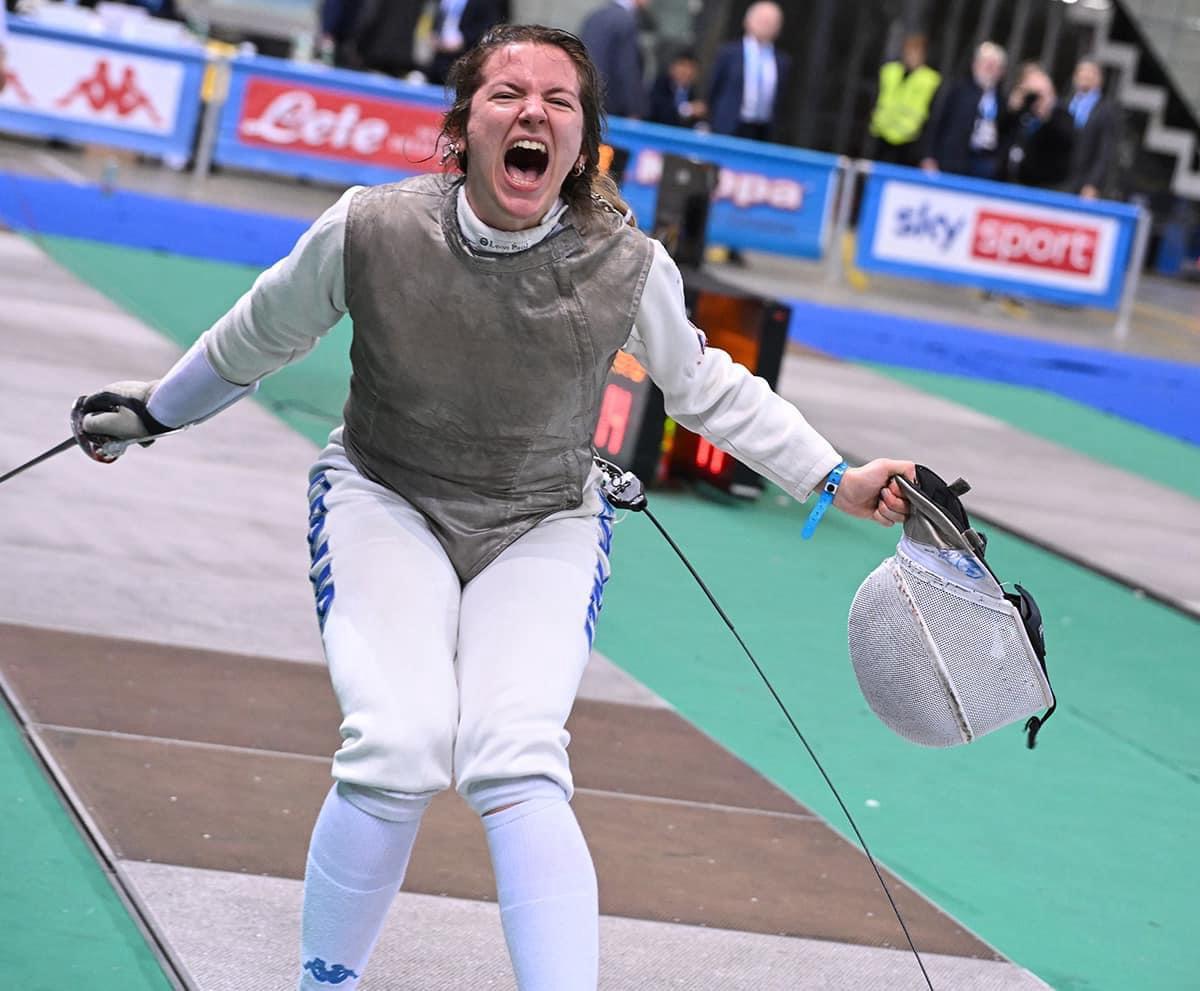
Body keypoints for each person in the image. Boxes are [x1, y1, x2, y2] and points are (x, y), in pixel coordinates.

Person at [74, 25, 915, 991]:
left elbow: (707, 387)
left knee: (516, 757)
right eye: (509, 93)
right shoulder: (372, 228)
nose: (533, 113)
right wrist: (157, 410)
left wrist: (835, 477)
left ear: (583, 141)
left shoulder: (627, 263)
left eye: (559, 101)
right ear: (464, 124)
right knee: (397, 742)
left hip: (544, 517)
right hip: (386, 494)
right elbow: (256, 335)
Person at [920, 41, 1008, 179]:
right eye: (986, 63)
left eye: (994, 65)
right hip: (952, 160)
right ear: (975, 64)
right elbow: (935, 122)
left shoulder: (1001, 98)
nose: (989, 69)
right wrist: (928, 156)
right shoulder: (956, 89)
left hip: (983, 162)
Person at [707, 0, 790, 142]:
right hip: (728, 128)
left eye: (771, 21)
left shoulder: (782, 61)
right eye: (762, 19)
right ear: (747, 21)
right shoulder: (729, 53)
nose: (766, 25)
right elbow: (714, 90)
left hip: (762, 131)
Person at [867, 33, 941, 167]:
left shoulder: (930, 80)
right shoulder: (889, 71)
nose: (911, 56)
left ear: (923, 56)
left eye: (916, 53)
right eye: (909, 52)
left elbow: (931, 115)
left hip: (909, 141)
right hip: (881, 135)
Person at [996, 62, 1073, 189]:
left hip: (1042, 186)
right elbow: (1000, 133)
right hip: (1006, 181)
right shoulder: (1022, 111)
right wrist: (1013, 109)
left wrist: (1046, 111)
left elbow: (1063, 142)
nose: (1036, 97)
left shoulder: (1061, 115)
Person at [579, 0, 649, 119]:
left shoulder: (596, 15)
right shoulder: (626, 21)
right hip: (610, 109)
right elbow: (626, 69)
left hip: (585, 97)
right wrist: (634, 109)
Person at [1064, 57, 1116, 199]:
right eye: (1082, 71)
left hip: (1084, 183)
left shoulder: (1106, 110)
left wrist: (1093, 184)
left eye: (1091, 72)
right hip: (1059, 180)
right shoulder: (1065, 104)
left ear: (1100, 79)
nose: (1085, 76)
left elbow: (1105, 151)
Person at [426, 0, 507, 85]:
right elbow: (438, 19)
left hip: (466, 60)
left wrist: (464, 41)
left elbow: (488, 27)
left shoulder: (484, 3)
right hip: (439, 59)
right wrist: (433, 34)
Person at [646, 47, 707, 128]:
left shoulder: (694, 93)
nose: (686, 71)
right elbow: (659, 112)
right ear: (672, 67)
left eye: (691, 67)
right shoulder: (660, 85)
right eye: (682, 65)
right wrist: (687, 110)